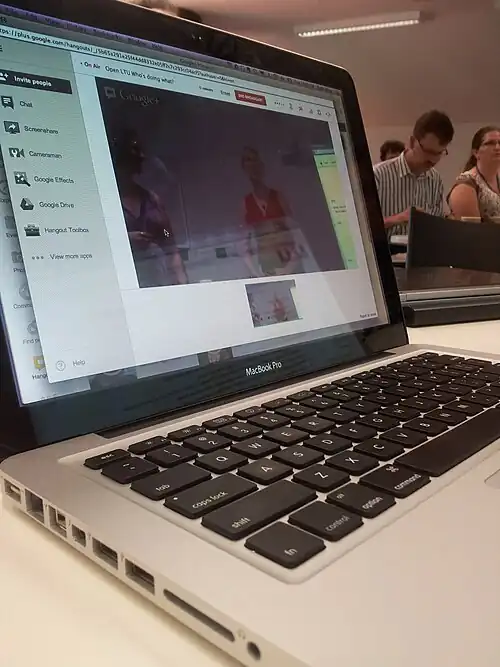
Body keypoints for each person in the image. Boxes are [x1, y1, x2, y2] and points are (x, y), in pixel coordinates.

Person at [112, 129, 188, 287]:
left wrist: (180, 276)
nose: (142, 156)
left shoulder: (152, 200)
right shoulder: (106, 199)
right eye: (135, 150)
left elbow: (168, 238)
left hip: (157, 280)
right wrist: (125, 238)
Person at [373, 110, 454, 236]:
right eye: (428, 152)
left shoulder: (435, 178)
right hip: (386, 247)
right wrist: (398, 219)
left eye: (439, 153)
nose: (433, 160)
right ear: (411, 142)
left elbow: (439, 222)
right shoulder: (378, 175)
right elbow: (360, 227)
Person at [240, 146, 303, 277]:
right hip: (267, 268)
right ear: (244, 168)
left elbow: (297, 233)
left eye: (254, 160)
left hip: (291, 266)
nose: (252, 166)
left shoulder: (278, 196)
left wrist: (289, 267)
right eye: (248, 161)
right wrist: (256, 272)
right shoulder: (246, 203)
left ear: (261, 164)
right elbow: (244, 245)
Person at [447, 126, 500, 223]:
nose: (497, 147)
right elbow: (471, 230)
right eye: (490, 143)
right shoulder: (465, 185)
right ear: (476, 152)